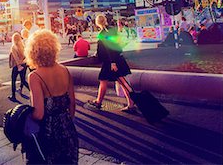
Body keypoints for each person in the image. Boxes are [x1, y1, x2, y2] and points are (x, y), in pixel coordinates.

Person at [24, 29, 79, 164]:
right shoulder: (65, 70)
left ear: (33, 52)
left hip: (48, 134)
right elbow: (72, 103)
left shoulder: (35, 77)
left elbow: (39, 114)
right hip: (67, 129)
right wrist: (66, 120)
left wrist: (25, 118)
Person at [85, 14, 134, 112]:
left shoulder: (103, 34)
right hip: (117, 59)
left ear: (97, 23)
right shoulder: (112, 30)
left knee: (108, 81)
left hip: (111, 62)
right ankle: (130, 104)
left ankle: (99, 102)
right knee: (122, 83)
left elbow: (109, 48)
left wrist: (112, 62)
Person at [8, 32, 30, 101]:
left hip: (17, 66)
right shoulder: (22, 46)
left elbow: (16, 58)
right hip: (24, 64)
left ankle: (13, 96)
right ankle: (32, 91)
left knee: (13, 80)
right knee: (23, 80)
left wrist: (18, 66)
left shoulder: (14, 47)